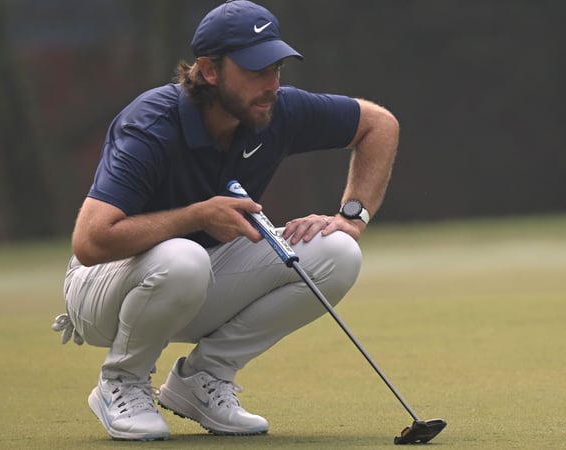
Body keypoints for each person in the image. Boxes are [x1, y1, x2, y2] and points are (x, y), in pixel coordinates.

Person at [51, 0, 398, 441]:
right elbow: (90, 242)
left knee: (338, 252)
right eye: (256, 71)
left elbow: (379, 125)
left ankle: (204, 378)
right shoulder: (151, 123)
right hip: (102, 289)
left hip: (195, 280)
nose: (272, 84)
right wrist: (197, 216)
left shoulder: (277, 110)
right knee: (184, 258)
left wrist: (352, 218)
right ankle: (122, 381)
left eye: (276, 69)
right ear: (209, 71)